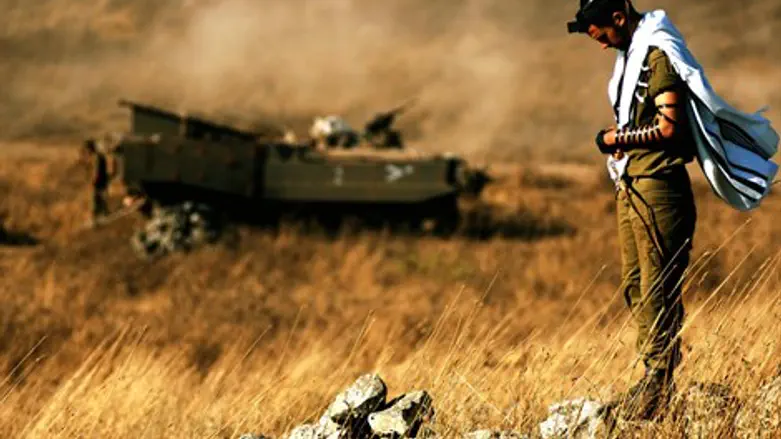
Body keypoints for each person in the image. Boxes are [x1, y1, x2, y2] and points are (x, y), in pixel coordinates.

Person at [568, 0, 697, 420]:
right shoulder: (631, 56)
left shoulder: (657, 53)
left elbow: (668, 127)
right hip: (633, 183)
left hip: (658, 185)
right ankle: (652, 376)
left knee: (658, 284)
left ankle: (659, 384)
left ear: (619, 18)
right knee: (636, 284)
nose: (603, 46)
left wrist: (613, 139)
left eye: (603, 35)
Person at [82, 138, 114, 226]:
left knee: (97, 200)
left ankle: (97, 219)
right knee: (102, 199)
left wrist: (92, 181)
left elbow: (96, 171)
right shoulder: (100, 156)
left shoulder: (96, 157)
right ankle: (102, 215)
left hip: (99, 182)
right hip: (102, 181)